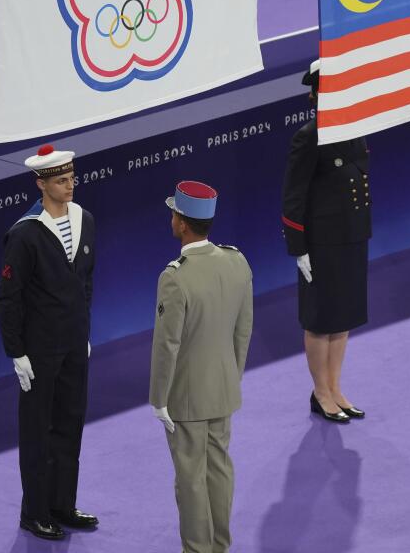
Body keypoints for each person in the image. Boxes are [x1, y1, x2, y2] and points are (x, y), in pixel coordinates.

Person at [0, 144, 98, 541]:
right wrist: (16, 352)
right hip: (38, 353)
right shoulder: (24, 234)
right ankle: (34, 511)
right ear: (41, 184)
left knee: (70, 425)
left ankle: (62, 504)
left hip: (74, 346)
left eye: (71, 178)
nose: (69, 186)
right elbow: (9, 298)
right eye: (60, 181)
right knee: (38, 431)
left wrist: (83, 333)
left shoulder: (85, 220)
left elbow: (86, 282)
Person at [150, 181, 253, 553]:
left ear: (181, 223)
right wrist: (231, 376)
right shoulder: (237, 261)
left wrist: (159, 398)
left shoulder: (175, 277)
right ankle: (220, 546)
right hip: (224, 388)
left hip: (187, 398)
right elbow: (244, 330)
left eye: (173, 214)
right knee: (219, 469)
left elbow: (167, 345)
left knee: (190, 478)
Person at [281, 59, 372, 423]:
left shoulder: (354, 128)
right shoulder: (308, 136)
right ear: (318, 94)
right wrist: (298, 247)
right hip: (321, 243)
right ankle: (320, 392)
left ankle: (335, 387)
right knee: (320, 319)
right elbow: (293, 196)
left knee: (342, 316)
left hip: (351, 237)